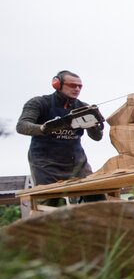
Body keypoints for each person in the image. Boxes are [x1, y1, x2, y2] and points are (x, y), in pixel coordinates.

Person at [16, 70, 105, 204]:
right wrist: (43, 128)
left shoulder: (84, 107)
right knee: (51, 202)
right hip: (45, 162)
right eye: (72, 85)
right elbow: (22, 126)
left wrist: (93, 123)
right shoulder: (39, 103)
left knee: (97, 197)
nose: (77, 89)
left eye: (80, 86)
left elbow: (97, 137)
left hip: (77, 162)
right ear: (57, 84)